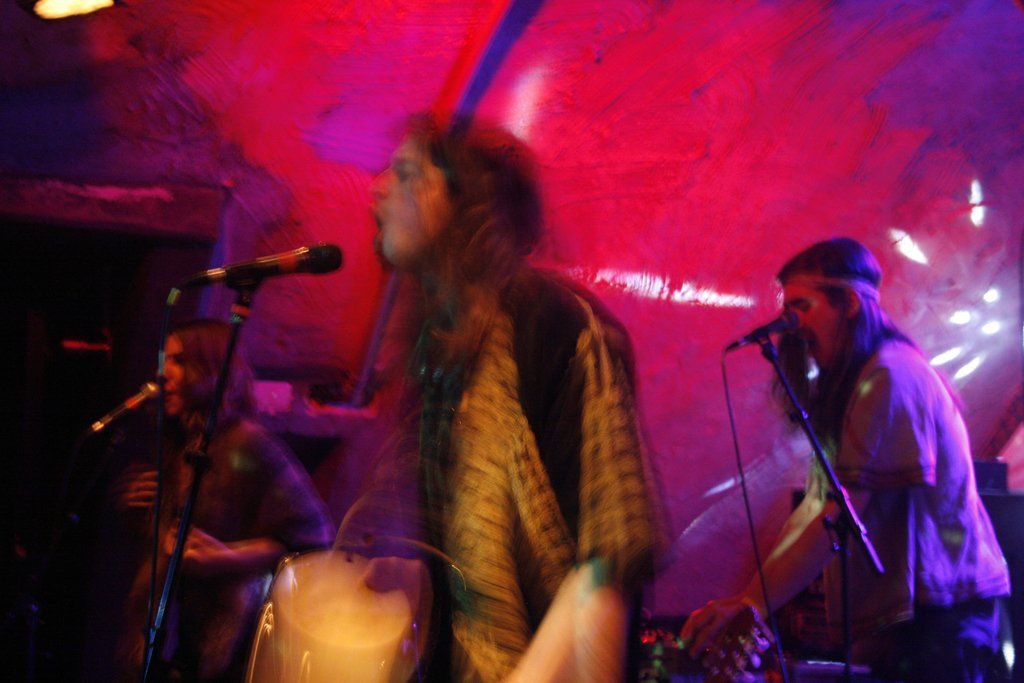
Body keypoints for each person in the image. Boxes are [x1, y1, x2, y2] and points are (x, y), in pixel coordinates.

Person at [358, 113, 663, 681]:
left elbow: (606, 561)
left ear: (465, 200)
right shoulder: (438, 346)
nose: (378, 189)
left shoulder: (559, 323)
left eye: (405, 173)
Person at [682, 238, 1010, 681]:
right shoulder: (862, 380)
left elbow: (841, 511)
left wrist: (754, 604)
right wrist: (750, 602)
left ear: (850, 303)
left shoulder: (891, 376)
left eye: (803, 306)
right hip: (916, 619)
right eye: (787, 309)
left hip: (943, 618)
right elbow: (815, 506)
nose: (790, 324)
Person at [116, 319, 334, 681]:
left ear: (212, 369)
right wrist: (139, 511)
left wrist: (227, 558)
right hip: (175, 642)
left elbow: (314, 540)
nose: (162, 373)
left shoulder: (248, 443)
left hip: (228, 649)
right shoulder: (179, 443)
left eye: (179, 361)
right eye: (164, 359)